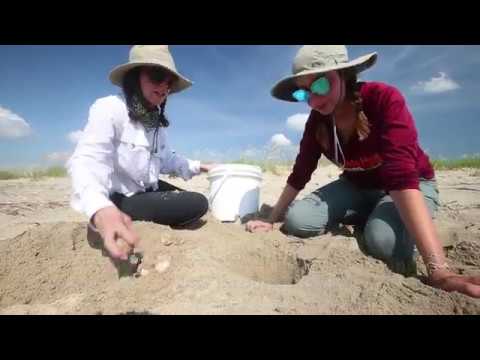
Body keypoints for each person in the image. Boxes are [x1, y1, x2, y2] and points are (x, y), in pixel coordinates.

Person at [246, 45, 480, 298]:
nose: (313, 100)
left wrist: (439, 271)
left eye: (321, 85)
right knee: (298, 221)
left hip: (410, 185)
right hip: (357, 186)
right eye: (304, 93)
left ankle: (394, 223)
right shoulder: (317, 121)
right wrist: (271, 219)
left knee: (383, 242)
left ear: (344, 75)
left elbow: (401, 176)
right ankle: (375, 216)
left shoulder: (383, 98)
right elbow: (301, 172)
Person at [67, 45, 213, 261]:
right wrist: (100, 209)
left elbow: (167, 159)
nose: (164, 87)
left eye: (169, 83)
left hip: (145, 188)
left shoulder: (156, 124)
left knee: (185, 199)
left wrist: (202, 166)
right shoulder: (109, 108)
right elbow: (88, 159)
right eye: (156, 76)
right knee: (198, 203)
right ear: (135, 78)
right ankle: (123, 215)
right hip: (120, 196)